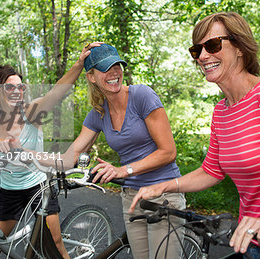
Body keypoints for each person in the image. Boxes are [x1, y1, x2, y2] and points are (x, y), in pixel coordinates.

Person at [129, 12, 260, 258]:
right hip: (251, 245)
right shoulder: (221, 111)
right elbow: (211, 171)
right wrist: (162, 187)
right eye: (197, 50)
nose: (203, 56)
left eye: (213, 45)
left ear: (239, 48)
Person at [0, 42, 103, 259]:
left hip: (39, 186)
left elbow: (56, 92)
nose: (17, 92)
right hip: (10, 190)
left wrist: (79, 63)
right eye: (9, 87)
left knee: (54, 246)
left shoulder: (32, 112)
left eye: (20, 87)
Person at [71, 43, 186, 258]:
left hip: (163, 195)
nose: (114, 72)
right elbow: (72, 154)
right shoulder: (98, 112)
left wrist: (124, 170)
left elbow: (168, 152)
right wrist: (27, 157)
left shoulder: (141, 95)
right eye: (106, 68)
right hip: (132, 200)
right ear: (91, 77)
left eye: (117, 65)